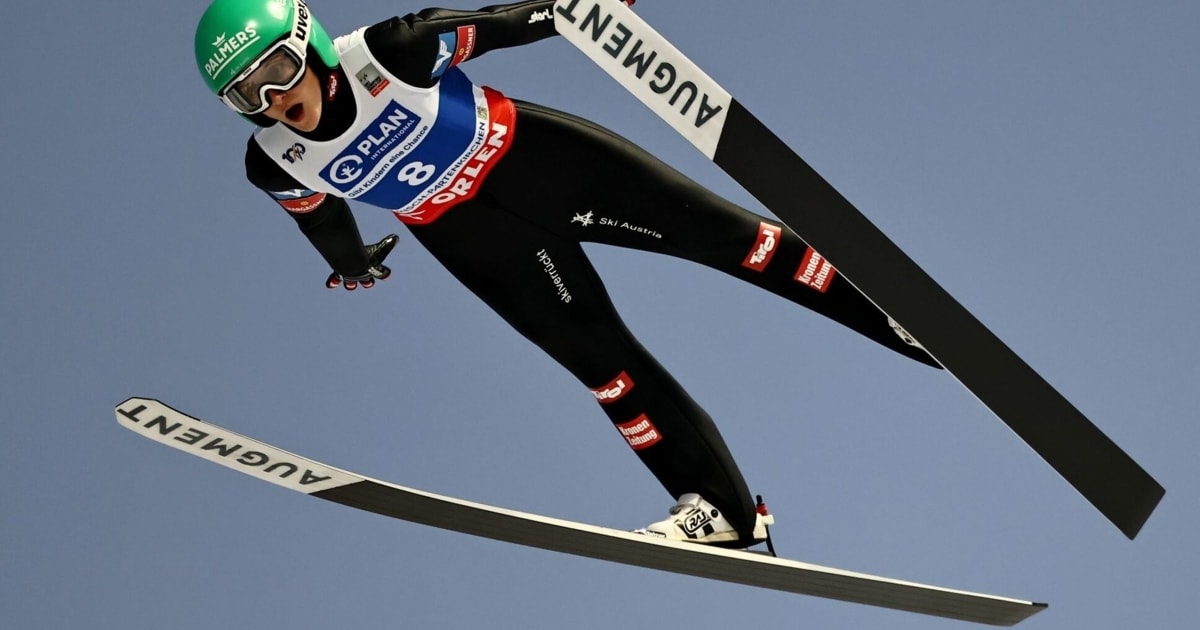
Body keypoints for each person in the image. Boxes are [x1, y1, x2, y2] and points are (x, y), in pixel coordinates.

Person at [193, 0, 938, 548]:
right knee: (605, 370)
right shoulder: (273, 159)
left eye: (278, 71)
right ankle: (723, 513)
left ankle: (902, 319)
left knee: (735, 241)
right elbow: (319, 215)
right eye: (245, 96)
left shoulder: (396, 49)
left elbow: (509, 21)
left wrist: (586, 10)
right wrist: (350, 263)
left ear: (311, 44)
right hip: (474, 239)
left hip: (547, 167)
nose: (274, 100)